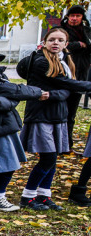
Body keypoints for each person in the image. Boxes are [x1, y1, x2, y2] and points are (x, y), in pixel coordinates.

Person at [18, 26, 91, 209]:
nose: (55, 43)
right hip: (41, 115)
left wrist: (59, 93)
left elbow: (66, 89)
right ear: (44, 42)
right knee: (48, 158)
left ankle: (44, 195)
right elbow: (66, 85)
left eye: (60, 40)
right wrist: (67, 91)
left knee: (54, 157)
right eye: (52, 40)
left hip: (58, 115)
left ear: (66, 44)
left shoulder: (65, 60)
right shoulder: (41, 61)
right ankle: (27, 196)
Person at [0, 45, 50, 213]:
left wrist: (4, 101)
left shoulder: (0, 75)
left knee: (11, 164)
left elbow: (13, 96)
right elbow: (7, 91)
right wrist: (33, 93)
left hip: (7, 124)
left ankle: (0, 197)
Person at [60, 5, 90, 145]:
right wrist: (78, 44)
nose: (74, 19)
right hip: (63, 74)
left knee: (71, 113)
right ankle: (57, 142)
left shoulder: (86, 31)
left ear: (82, 18)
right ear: (67, 16)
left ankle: (67, 142)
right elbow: (59, 46)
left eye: (78, 16)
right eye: (72, 15)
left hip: (80, 74)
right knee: (60, 111)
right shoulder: (61, 30)